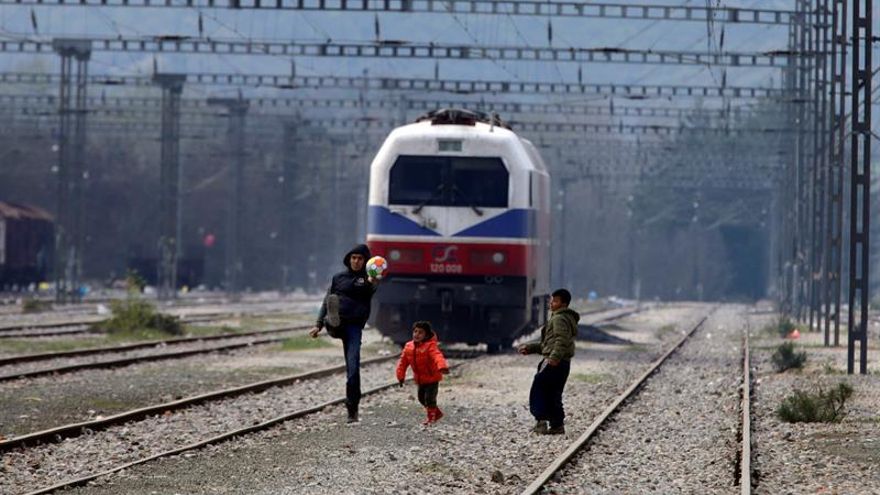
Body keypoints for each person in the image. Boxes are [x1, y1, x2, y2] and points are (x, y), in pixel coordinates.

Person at [309, 244, 379, 423]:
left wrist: (374, 278)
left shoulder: (367, 280)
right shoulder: (338, 278)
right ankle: (330, 321)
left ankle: (352, 409)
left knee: (353, 368)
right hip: (338, 324)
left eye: (360, 258)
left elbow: (372, 287)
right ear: (349, 259)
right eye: (353, 258)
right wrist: (318, 325)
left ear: (365, 262)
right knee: (332, 304)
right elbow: (326, 301)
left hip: (354, 327)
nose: (356, 261)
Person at [518, 288, 580, 435]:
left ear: (564, 304)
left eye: (555, 301)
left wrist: (554, 358)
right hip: (563, 363)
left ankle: (541, 422)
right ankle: (557, 425)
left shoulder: (558, 318)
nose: (551, 303)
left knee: (539, 388)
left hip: (554, 362)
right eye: (551, 300)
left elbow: (561, 340)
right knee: (553, 393)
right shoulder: (564, 318)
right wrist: (531, 348)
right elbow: (549, 345)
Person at [396, 321, 449, 425]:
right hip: (420, 379)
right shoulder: (408, 347)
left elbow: (437, 356)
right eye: (415, 331)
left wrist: (442, 367)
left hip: (432, 377)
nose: (416, 334)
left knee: (430, 399)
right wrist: (400, 376)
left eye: (420, 332)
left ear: (426, 335)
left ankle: (431, 418)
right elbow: (403, 363)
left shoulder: (430, 346)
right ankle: (436, 413)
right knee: (421, 399)